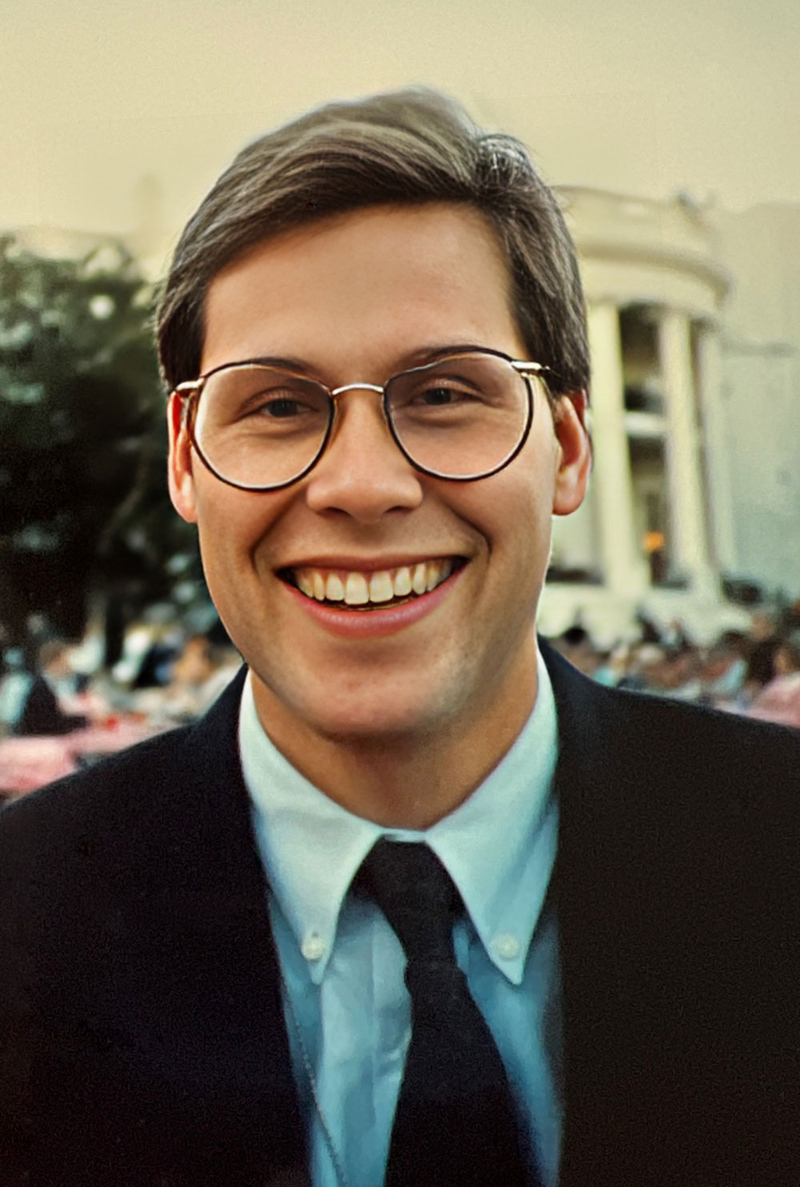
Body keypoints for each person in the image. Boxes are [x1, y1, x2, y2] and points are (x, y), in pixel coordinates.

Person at [1, 89, 799, 1187]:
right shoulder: (23, 923)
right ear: (187, 457)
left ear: (566, 447)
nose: (362, 486)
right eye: (277, 405)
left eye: (441, 393)